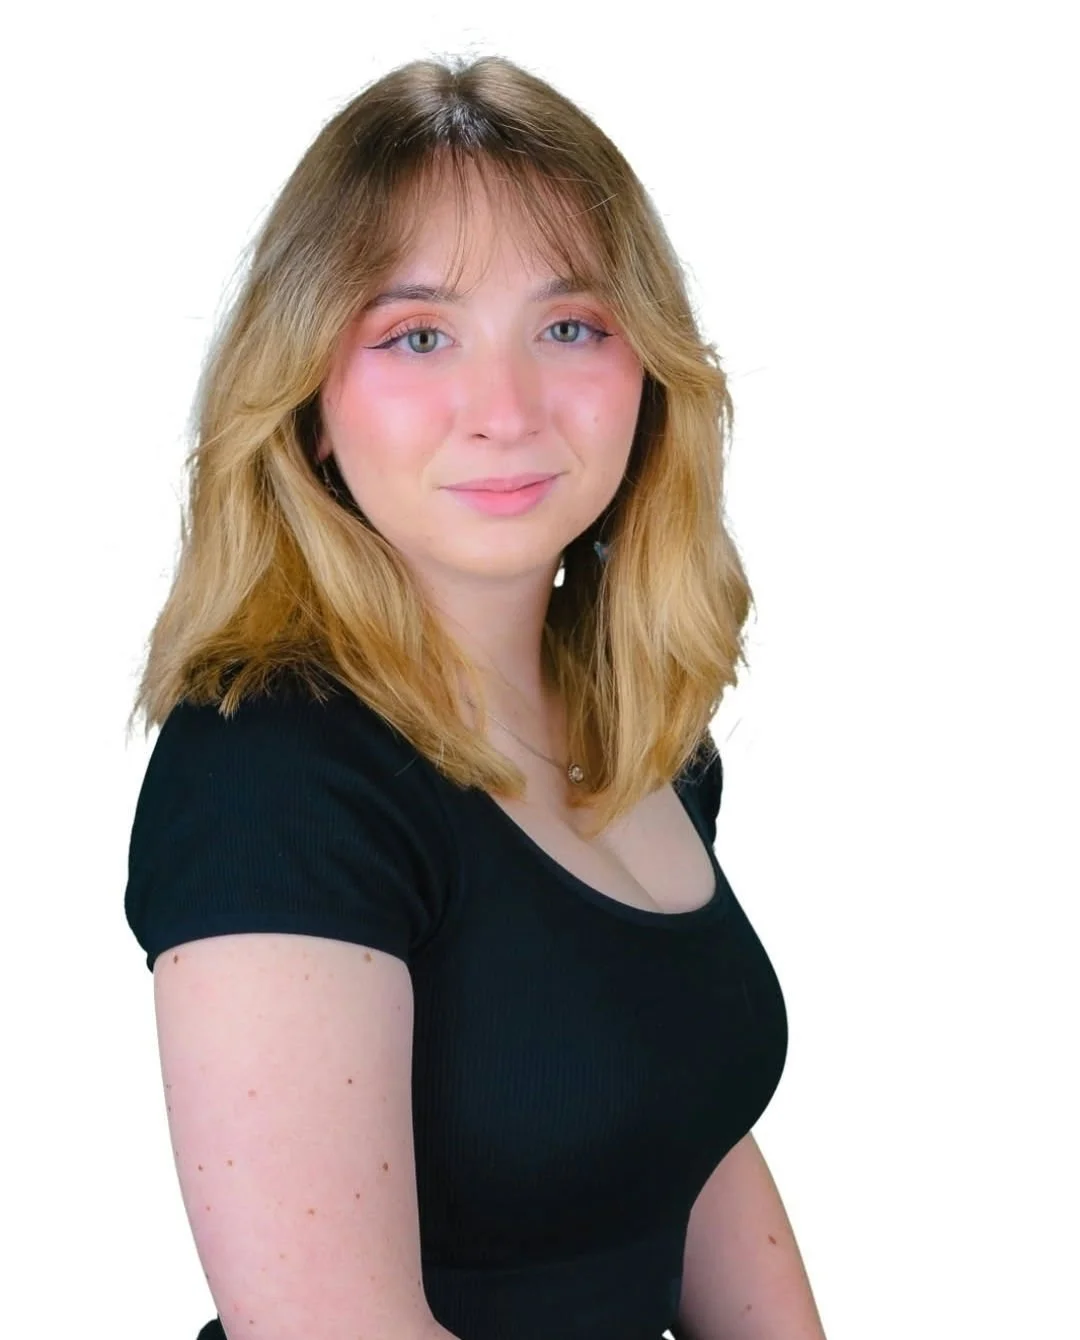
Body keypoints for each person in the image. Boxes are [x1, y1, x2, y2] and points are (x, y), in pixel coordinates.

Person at [124, 53, 826, 1340]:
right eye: (417, 335)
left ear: (648, 373)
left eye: (570, 326)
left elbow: (677, 1133)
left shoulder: (637, 732)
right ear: (312, 406)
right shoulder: (268, 778)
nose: (504, 409)